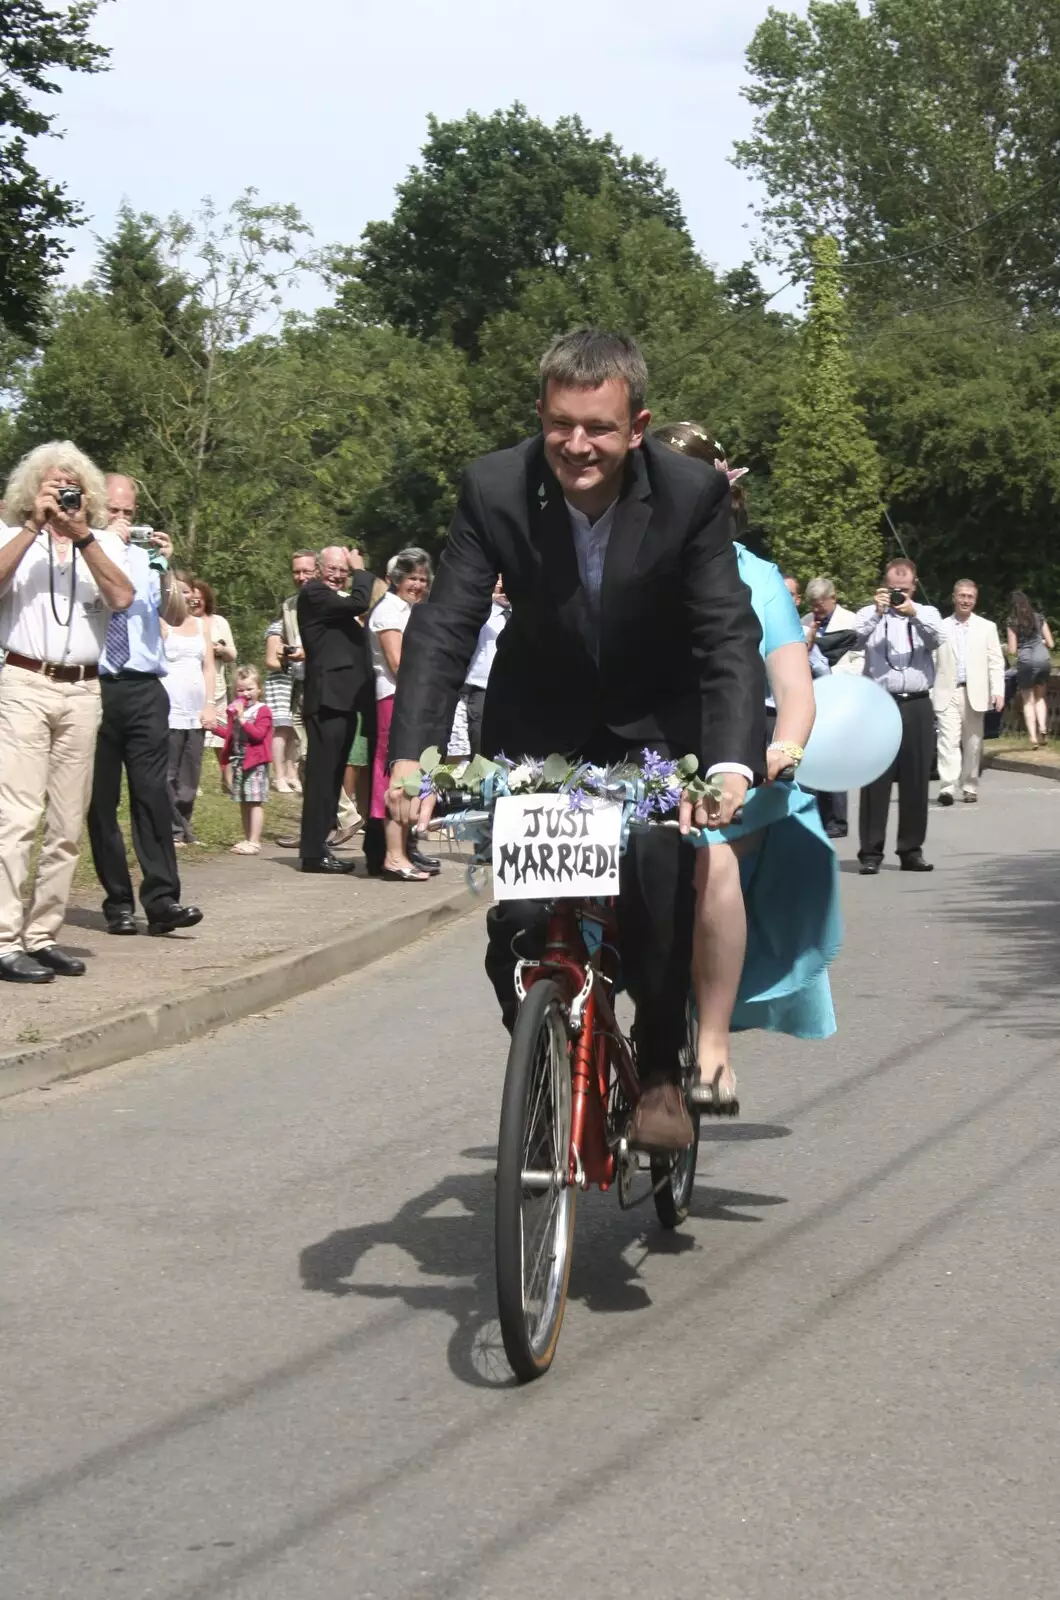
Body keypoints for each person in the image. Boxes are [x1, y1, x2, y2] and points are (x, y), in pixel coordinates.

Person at [388, 328, 765, 1152]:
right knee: (514, 928)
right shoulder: (495, 485)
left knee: (661, 873)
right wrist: (412, 758)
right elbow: (446, 625)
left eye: (598, 427)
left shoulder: (690, 492)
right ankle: (549, 1049)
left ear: (638, 426)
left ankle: (663, 1070)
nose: (577, 445)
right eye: (561, 424)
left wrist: (730, 763)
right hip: (538, 720)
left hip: (657, 725)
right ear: (541, 414)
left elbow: (725, 635)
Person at [653, 422, 836, 1112]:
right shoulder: (617, 559)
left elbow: (794, 691)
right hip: (640, 758)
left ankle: (714, 1048)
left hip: (732, 762)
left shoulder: (756, 578)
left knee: (713, 861)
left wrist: (779, 754)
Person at [0, 442, 134, 983]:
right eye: (53, 485)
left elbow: (122, 597)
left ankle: (42, 933)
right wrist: (33, 527)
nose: (63, 495)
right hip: (25, 681)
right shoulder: (13, 535)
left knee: (65, 825)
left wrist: (81, 536)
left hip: (84, 689)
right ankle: (4, 937)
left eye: (72, 486)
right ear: (32, 488)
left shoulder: (102, 542)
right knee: (17, 818)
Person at [86, 474, 204, 938]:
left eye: (128, 513)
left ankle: (162, 899)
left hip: (143, 687)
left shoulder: (146, 558)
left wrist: (167, 569)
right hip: (94, 685)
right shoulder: (82, 553)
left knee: (152, 795)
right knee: (100, 802)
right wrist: (103, 544)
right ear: (96, 508)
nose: (121, 520)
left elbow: (176, 616)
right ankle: (117, 901)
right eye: (113, 511)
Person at [854, 557, 943, 874]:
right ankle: (870, 852)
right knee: (876, 778)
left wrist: (913, 614)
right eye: (893, 589)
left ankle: (911, 849)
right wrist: (878, 614)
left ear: (914, 587)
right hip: (880, 702)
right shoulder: (870, 613)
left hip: (917, 702)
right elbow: (853, 641)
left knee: (916, 778)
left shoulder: (927, 613)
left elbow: (938, 639)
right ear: (883, 585)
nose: (897, 596)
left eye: (903, 590)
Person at [297, 544, 376, 873]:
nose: (340, 575)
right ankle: (313, 853)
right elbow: (360, 601)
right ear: (318, 569)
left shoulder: (334, 605)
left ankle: (319, 847)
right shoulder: (314, 593)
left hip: (343, 702)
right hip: (327, 700)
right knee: (322, 778)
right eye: (334, 569)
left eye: (345, 570)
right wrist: (362, 570)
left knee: (332, 779)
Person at [367, 548, 435, 881]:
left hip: (412, 698)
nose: (419, 585)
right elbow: (397, 664)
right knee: (396, 774)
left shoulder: (411, 610)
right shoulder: (389, 611)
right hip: (394, 697)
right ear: (397, 579)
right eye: (413, 578)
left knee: (414, 774)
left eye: (423, 579)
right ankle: (393, 856)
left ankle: (405, 851)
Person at [934, 579, 1005, 806]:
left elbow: (995, 662)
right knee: (948, 741)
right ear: (954, 597)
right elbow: (933, 660)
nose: (965, 600)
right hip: (948, 691)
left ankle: (969, 785)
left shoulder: (987, 627)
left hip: (975, 693)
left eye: (970, 597)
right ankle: (947, 787)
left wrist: (998, 691)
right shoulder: (940, 627)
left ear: (975, 600)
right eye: (962, 596)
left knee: (973, 743)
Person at [802, 575, 862, 837]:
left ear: (833, 598)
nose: (816, 609)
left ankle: (838, 820)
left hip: (838, 694)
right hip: (812, 698)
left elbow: (861, 660)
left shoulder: (851, 621)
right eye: (813, 604)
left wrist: (830, 673)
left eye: (821, 603)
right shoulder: (803, 623)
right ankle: (815, 814)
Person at [161, 570, 216, 846]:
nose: (185, 596)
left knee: (190, 775)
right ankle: (173, 830)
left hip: (195, 710)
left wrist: (209, 705)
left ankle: (184, 827)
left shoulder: (201, 626)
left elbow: (209, 667)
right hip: (169, 708)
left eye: (187, 591)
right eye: (178, 591)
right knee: (168, 774)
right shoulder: (161, 623)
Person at [448, 576, 510, 759]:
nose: (503, 586)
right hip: (483, 690)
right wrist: (487, 597)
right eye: (498, 581)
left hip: (514, 692)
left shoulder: (522, 615)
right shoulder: (481, 612)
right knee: (482, 751)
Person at [188, 579, 236, 783]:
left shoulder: (219, 622)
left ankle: (228, 779)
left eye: (200, 599)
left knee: (222, 736)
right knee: (194, 737)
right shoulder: (182, 622)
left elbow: (232, 653)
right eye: (193, 599)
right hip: (192, 688)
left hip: (217, 687)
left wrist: (221, 650)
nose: (197, 603)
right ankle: (192, 780)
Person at [221, 665, 273, 854]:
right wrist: (214, 728)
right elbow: (231, 734)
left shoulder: (263, 710)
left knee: (255, 800)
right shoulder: (237, 712)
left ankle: (255, 841)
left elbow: (258, 735)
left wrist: (242, 719)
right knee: (243, 800)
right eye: (241, 690)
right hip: (240, 759)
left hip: (256, 761)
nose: (245, 693)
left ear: (259, 689)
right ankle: (247, 838)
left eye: (250, 689)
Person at [1007, 590, 1054, 747]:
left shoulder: (1012, 622)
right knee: (1040, 698)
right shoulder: (1039, 618)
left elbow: (1013, 650)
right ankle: (1043, 728)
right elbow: (1051, 643)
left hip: (1026, 662)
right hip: (1043, 660)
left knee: (1028, 700)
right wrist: (1040, 642)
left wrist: (1006, 646)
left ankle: (1033, 737)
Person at [263, 618, 301, 791]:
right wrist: (287, 658)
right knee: (282, 728)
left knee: (294, 730)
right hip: (280, 683)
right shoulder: (278, 627)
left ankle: (291, 773)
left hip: (298, 683)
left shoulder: (302, 626)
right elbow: (270, 662)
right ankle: (278, 776)